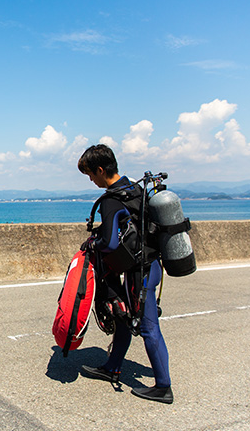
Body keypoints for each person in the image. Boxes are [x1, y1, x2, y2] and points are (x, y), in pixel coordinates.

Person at [77, 144, 173, 404]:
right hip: (152, 265)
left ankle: (163, 386)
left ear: (100, 170)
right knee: (122, 316)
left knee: (148, 326)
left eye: (90, 174)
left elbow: (109, 243)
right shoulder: (136, 189)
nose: (91, 180)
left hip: (137, 272)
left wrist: (92, 243)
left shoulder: (111, 200)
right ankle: (112, 367)